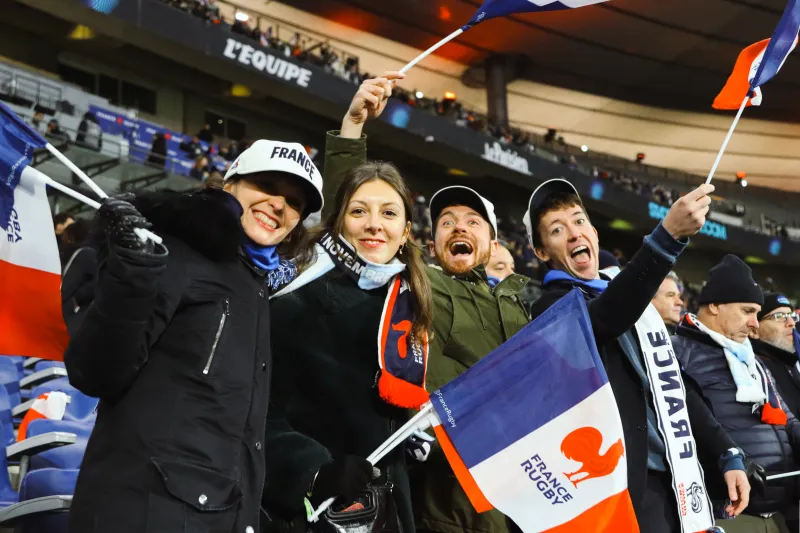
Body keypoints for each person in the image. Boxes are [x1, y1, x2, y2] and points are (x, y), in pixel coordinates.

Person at [63, 139, 323, 533]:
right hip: (143, 511)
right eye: (267, 185)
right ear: (228, 185)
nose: (280, 205)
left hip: (216, 515)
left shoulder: (256, 285)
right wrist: (132, 275)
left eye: (295, 203)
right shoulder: (178, 250)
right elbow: (96, 371)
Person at [322, 71, 531, 533]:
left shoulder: (525, 308)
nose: (459, 227)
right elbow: (352, 228)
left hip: (513, 500)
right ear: (430, 245)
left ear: (494, 243)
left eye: (473, 221)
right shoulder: (416, 282)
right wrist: (352, 130)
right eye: (446, 221)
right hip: (441, 501)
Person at [526, 179, 750, 533]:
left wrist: (726, 451)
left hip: (680, 476)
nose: (573, 234)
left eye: (579, 221)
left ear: (595, 234)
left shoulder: (632, 302)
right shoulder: (548, 307)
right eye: (557, 229)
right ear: (541, 252)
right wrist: (666, 238)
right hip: (628, 488)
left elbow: (673, 386)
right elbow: (604, 319)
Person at [263, 161, 432, 533]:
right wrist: (315, 472)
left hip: (388, 512)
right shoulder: (297, 300)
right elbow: (259, 416)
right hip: (315, 512)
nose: (375, 224)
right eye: (359, 211)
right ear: (339, 222)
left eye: (388, 213)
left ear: (404, 233)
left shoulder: (408, 307)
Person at [673, 260, 799, 533]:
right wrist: (727, 459)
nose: (755, 324)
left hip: (778, 515)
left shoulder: (752, 358)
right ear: (715, 305)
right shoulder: (677, 352)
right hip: (728, 516)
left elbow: (786, 419)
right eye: (747, 311)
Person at [752, 292, 800, 417]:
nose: (791, 323)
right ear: (754, 330)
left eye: (791, 315)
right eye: (779, 316)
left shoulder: (789, 362)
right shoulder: (754, 368)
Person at [59, 219, 97, 336]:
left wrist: (76, 298)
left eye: (65, 236)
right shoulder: (92, 253)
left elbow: (67, 284)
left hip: (68, 312)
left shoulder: (84, 254)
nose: (63, 239)